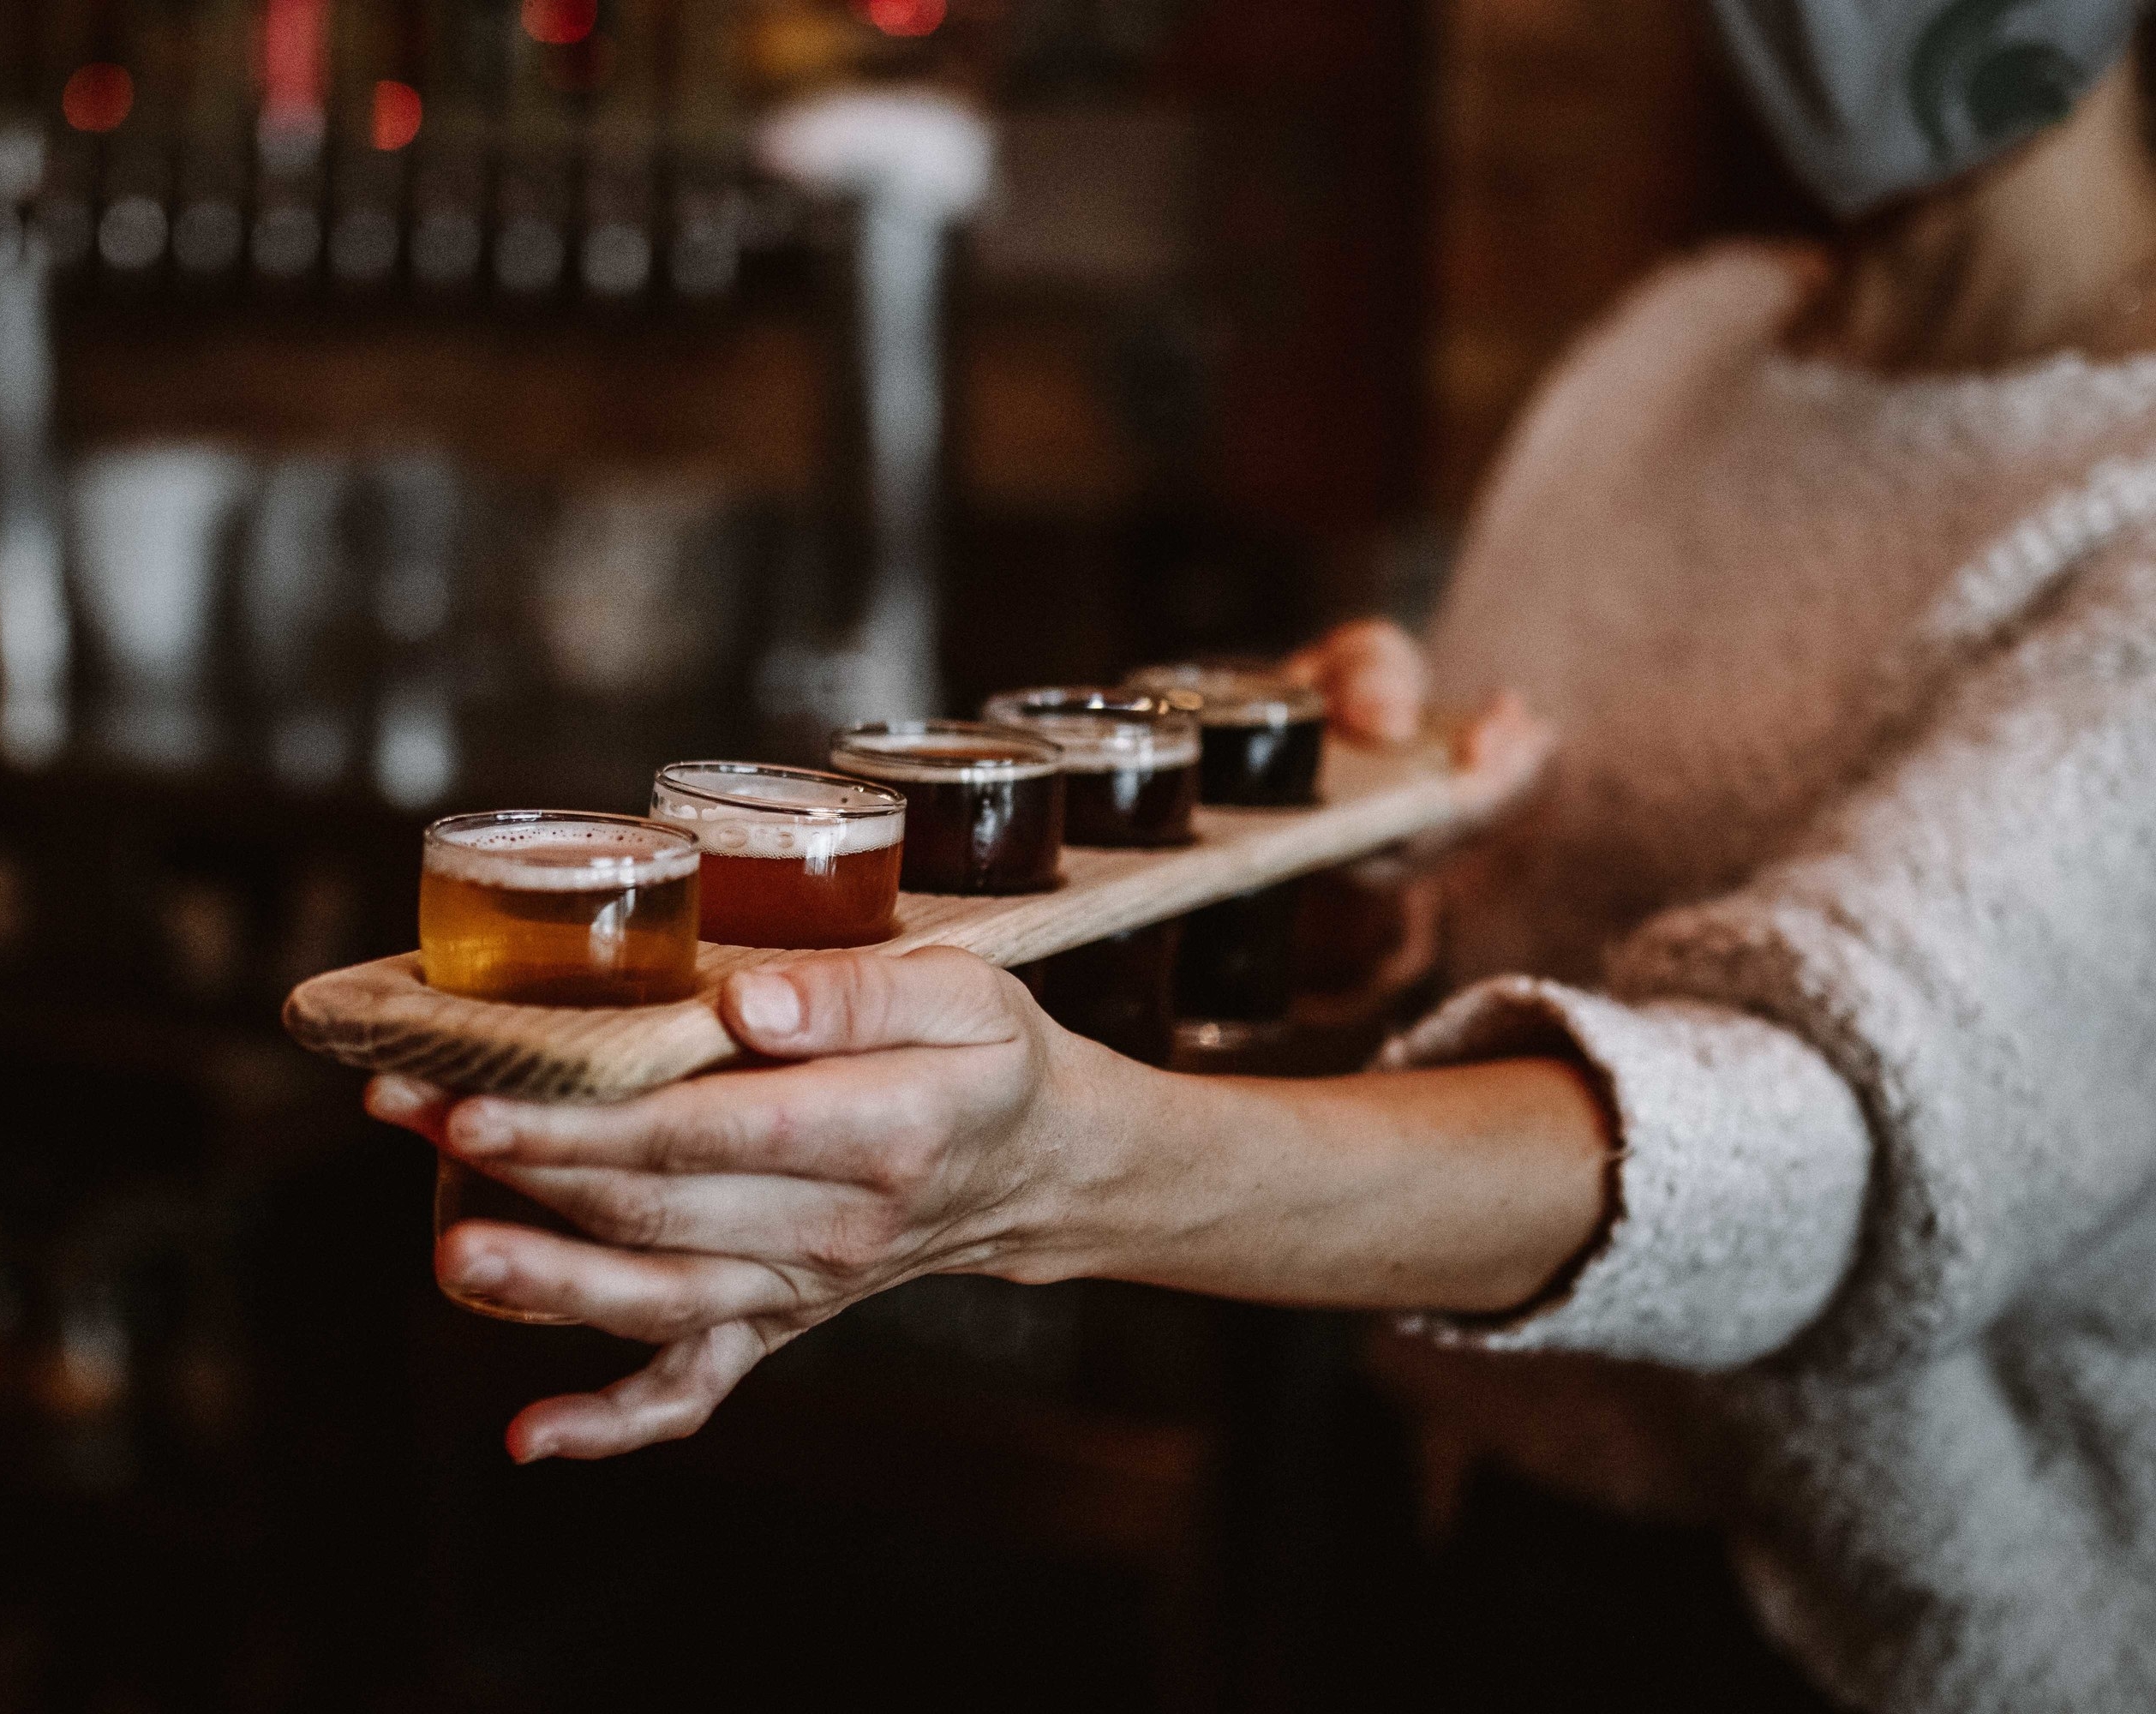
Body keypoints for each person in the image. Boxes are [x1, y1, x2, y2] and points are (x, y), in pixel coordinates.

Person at [372, 4, 2156, 1707]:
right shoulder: (1671, 353)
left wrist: (1059, 1178)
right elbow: (1509, 940)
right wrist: (1343, 901)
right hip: (1458, 1539)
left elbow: (1834, 1151)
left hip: (1883, 1646)